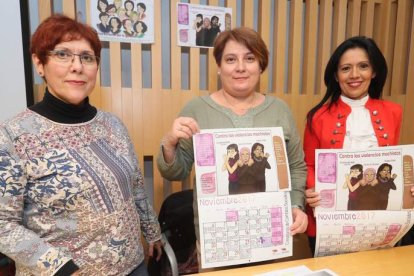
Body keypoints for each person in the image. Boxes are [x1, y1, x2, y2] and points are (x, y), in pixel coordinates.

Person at [0, 14, 162, 275]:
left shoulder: (113, 125)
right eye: (62, 54)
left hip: (133, 266)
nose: (77, 66)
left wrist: (153, 233)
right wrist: (60, 267)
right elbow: (3, 224)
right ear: (39, 63)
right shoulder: (11, 136)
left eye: (87, 57)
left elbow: (135, 187)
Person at [157, 27, 308, 260]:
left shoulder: (280, 110)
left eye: (249, 58)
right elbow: (176, 172)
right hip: (217, 236)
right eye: (230, 59)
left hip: (271, 233)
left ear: (260, 65)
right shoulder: (196, 110)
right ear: (219, 67)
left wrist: (297, 205)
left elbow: (296, 166)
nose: (240, 67)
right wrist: (169, 143)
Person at [303, 36, 414, 255]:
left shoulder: (393, 112)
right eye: (346, 68)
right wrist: (312, 189)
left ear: (373, 71)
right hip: (331, 218)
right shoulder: (318, 117)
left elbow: (393, 163)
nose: (354, 75)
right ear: (336, 75)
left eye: (363, 66)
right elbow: (308, 165)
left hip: (380, 213)